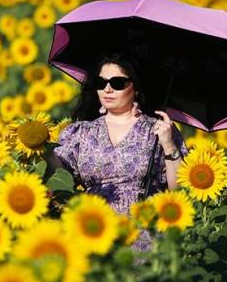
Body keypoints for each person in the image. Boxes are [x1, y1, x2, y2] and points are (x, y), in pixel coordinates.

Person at [46, 52, 189, 252]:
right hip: (92, 232)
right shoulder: (82, 132)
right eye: (100, 82)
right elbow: (61, 178)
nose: (107, 89)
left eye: (118, 83)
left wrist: (169, 145)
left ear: (136, 88)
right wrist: (43, 148)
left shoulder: (157, 130)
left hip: (143, 236)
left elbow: (180, 191)